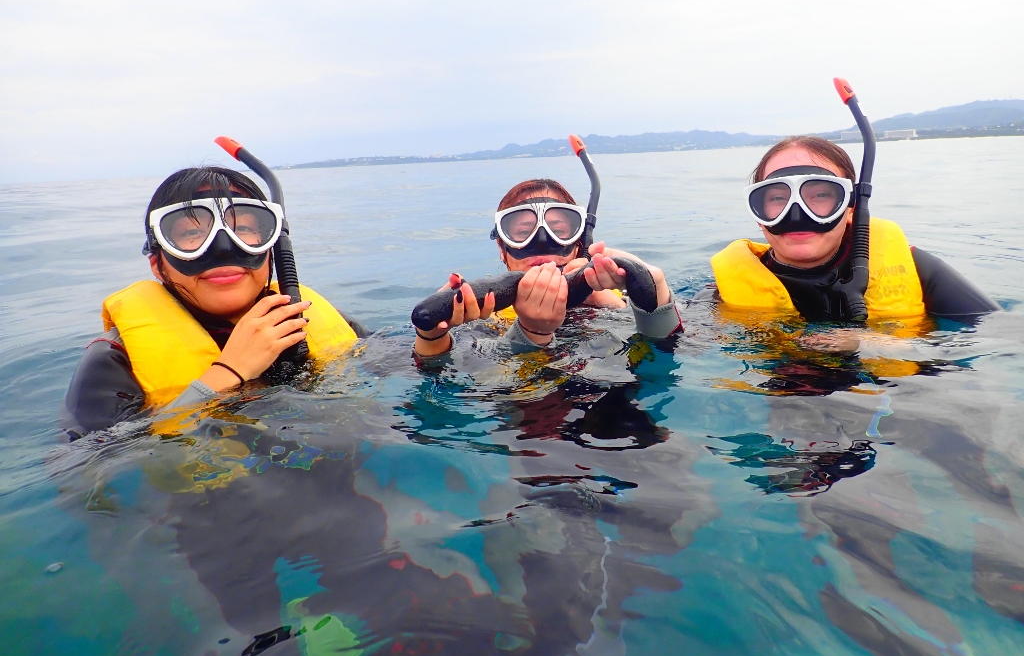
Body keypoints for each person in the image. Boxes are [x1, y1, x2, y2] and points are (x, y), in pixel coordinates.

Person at [62, 166, 366, 438]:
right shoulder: (114, 361)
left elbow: (402, 376)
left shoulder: (309, 320)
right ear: (158, 264)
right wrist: (228, 373)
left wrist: (417, 340)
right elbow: (87, 473)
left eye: (244, 228)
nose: (222, 248)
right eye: (193, 233)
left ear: (272, 251)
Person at [707, 136, 998, 322]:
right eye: (778, 198)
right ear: (759, 214)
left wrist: (877, 345)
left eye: (821, 195)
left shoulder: (920, 271)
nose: (796, 214)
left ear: (850, 208)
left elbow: (999, 341)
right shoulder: (725, 290)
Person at [412, 178, 682, 357]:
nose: (542, 243)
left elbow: (671, 355)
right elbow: (459, 384)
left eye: (558, 230)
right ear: (502, 249)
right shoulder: (481, 319)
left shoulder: (618, 303)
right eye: (523, 231)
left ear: (578, 245)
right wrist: (432, 335)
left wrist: (651, 290)